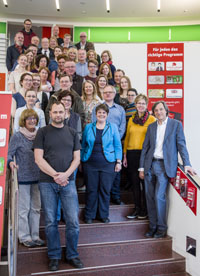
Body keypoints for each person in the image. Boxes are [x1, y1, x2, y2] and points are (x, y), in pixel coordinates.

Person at [34, 102, 84, 271]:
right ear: (50, 113)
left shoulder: (72, 132)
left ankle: (72, 254)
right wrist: (56, 175)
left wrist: (65, 175)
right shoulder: (42, 132)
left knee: (73, 221)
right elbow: (38, 159)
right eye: (55, 112)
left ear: (65, 113)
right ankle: (54, 256)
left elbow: (77, 159)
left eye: (60, 112)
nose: (57, 114)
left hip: (68, 182)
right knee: (50, 222)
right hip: (47, 183)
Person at [139, 101, 196, 239]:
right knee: (150, 197)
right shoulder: (151, 127)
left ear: (166, 110)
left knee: (159, 196)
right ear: (153, 112)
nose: (159, 112)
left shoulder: (175, 125)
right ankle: (152, 227)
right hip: (149, 165)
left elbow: (182, 145)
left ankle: (161, 228)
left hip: (164, 166)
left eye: (161, 109)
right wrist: (141, 167)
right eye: (156, 110)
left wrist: (187, 163)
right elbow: (145, 148)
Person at [7, 109, 44, 248]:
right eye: (29, 119)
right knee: (23, 209)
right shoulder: (17, 136)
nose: (32, 121)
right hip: (22, 177)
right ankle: (24, 236)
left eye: (34, 118)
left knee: (35, 208)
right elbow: (9, 154)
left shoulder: (40, 135)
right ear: (24, 120)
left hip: (39, 177)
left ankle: (35, 235)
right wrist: (11, 162)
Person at [82, 104, 122, 224]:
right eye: (99, 112)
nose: (101, 115)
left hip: (108, 163)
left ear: (107, 115)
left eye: (104, 113)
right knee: (91, 189)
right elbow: (83, 145)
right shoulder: (89, 127)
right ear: (95, 114)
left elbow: (117, 146)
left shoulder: (113, 127)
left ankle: (103, 215)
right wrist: (81, 160)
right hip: (90, 163)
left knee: (105, 190)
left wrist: (118, 161)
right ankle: (89, 215)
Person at [123, 94, 156, 220]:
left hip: (145, 154)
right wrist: (125, 155)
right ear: (135, 105)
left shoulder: (152, 119)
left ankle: (145, 209)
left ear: (146, 105)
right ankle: (137, 208)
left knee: (145, 183)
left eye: (143, 103)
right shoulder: (131, 119)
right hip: (132, 154)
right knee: (135, 183)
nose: (140, 105)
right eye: (138, 103)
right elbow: (127, 138)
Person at [92, 85, 126, 205]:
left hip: (115, 145)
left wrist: (114, 139)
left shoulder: (120, 109)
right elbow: (93, 125)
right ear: (102, 94)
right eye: (105, 92)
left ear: (114, 93)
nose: (108, 94)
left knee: (116, 172)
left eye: (110, 92)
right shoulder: (96, 108)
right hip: (99, 146)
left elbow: (122, 127)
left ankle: (115, 196)